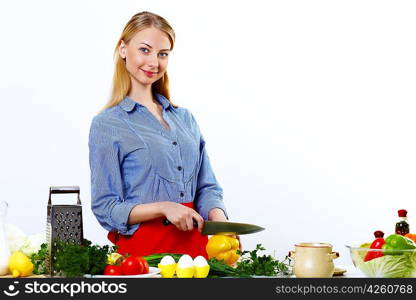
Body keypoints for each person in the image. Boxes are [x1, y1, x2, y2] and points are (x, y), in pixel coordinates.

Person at [88, 11, 231, 259]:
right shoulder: (107, 124)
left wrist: (221, 224)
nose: (154, 62)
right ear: (123, 49)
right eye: (145, 50)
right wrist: (164, 208)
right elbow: (106, 207)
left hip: (196, 257)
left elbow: (207, 187)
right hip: (144, 260)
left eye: (162, 54)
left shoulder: (185, 119)